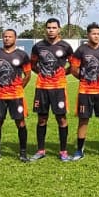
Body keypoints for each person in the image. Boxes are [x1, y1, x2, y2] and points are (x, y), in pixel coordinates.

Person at [70, 23, 99, 161]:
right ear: (88, 35)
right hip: (85, 92)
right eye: (93, 34)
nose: (96, 36)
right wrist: (85, 78)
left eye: (98, 34)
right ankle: (79, 150)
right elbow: (74, 69)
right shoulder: (81, 50)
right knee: (83, 120)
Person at [30, 18, 75, 161]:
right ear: (45, 29)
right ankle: (40, 150)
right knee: (42, 119)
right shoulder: (38, 46)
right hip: (42, 87)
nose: (51, 30)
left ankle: (63, 151)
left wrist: (62, 73)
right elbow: (32, 64)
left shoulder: (66, 46)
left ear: (59, 29)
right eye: (49, 27)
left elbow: (73, 65)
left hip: (59, 88)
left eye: (54, 28)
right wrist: (43, 74)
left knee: (61, 119)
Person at [0, 29, 31, 162]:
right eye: (5, 36)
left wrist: (19, 87)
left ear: (15, 38)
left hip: (16, 96)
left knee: (20, 122)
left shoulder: (22, 55)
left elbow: (27, 75)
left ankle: (23, 153)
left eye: (10, 36)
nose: (7, 38)